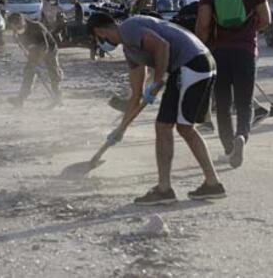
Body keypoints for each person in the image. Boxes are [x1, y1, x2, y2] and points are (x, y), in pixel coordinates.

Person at [87, 12, 225, 205]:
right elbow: (136, 95)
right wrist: (121, 129)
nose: (101, 43)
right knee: (184, 127)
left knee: (164, 126)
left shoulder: (129, 28)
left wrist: (158, 79)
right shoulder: (130, 50)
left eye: (97, 39)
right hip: (199, 63)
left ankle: (164, 189)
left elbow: (162, 46)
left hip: (191, 64)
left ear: (100, 31)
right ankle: (212, 184)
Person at [196, 0, 271, 169]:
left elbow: (203, 25)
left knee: (223, 103)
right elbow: (266, 18)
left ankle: (229, 149)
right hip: (246, 51)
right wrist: (249, 30)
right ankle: (241, 137)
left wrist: (204, 45)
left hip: (219, 53)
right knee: (244, 102)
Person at [7, 13, 63, 109]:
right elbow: (23, 46)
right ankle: (20, 99)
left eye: (17, 26)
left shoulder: (37, 27)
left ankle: (57, 98)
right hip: (34, 51)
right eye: (14, 27)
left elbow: (45, 48)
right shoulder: (16, 32)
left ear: (22, 21)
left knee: (54, 73)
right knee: (28, 72)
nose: (16, 29)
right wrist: (29, 56)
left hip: (49, 49)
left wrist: (37, 62)